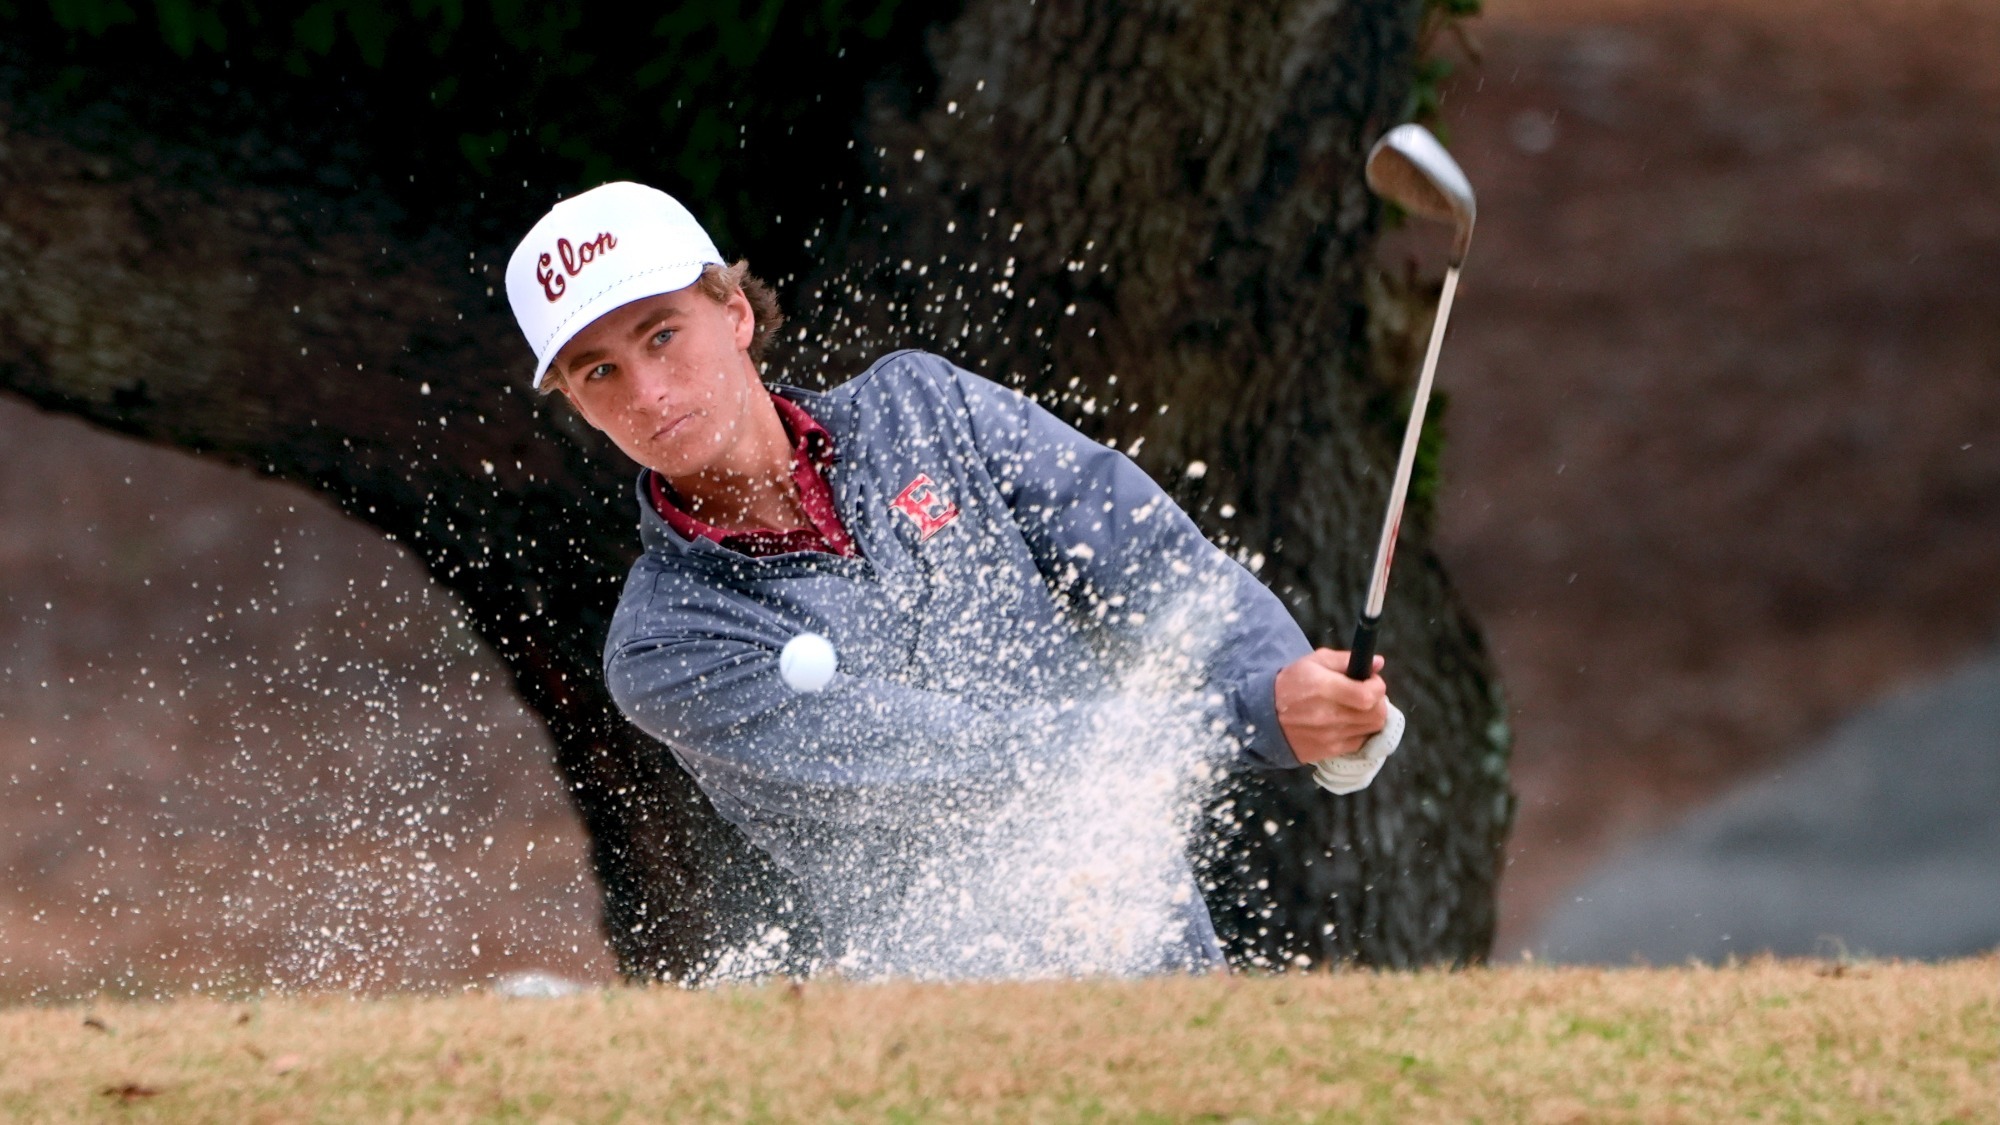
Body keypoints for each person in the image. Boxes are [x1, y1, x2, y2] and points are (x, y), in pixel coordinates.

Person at [505, 182, 1403, 978]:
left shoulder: (922, 408)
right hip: (945, 1015)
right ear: (577, 404)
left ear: (735, 313)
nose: (650, 392)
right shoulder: (666, 644)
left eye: (664, 335)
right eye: (601, 371)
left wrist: (1310, 696)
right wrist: (1249, 719)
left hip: (1164, 963)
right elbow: (960, 763)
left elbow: (1154, 560)